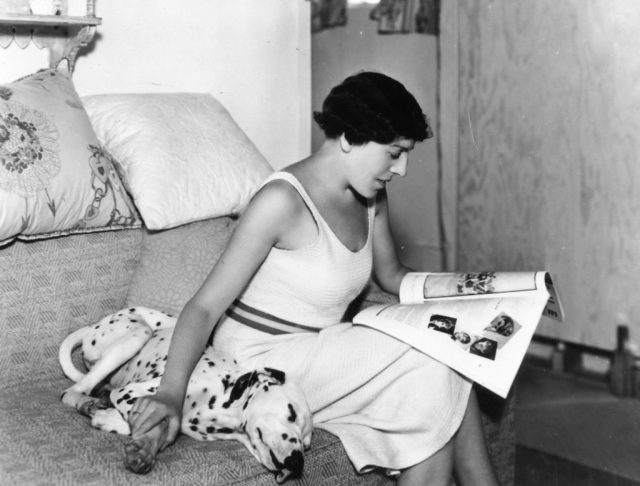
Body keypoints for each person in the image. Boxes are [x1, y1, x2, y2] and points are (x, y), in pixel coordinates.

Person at [128, 71, 499, 486]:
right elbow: (205, 306)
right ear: (348, 139)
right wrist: (170, 394)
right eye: (394, 152)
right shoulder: (281, 200)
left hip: (321, 351)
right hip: (263, 360)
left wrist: (469, 291)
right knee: (436, 355)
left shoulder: (371, 194)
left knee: (438, 372)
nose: (402, 168)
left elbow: (392, 274)